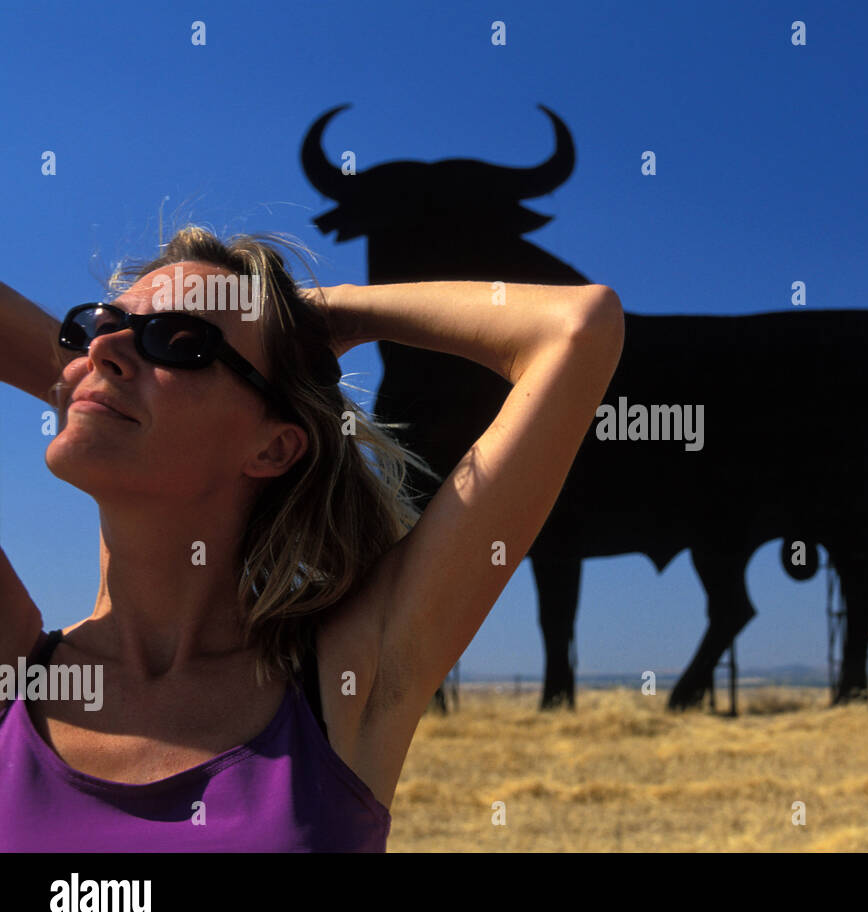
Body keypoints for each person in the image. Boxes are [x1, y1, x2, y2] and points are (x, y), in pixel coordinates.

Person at [0, 226, 623, 851]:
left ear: (273, 445)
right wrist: (95, 379)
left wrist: (334, 310)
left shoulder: (345, 678)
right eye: (92, 326)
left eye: (180, 341)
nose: (101, 348)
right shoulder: (15, 667)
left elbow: (577, 327)